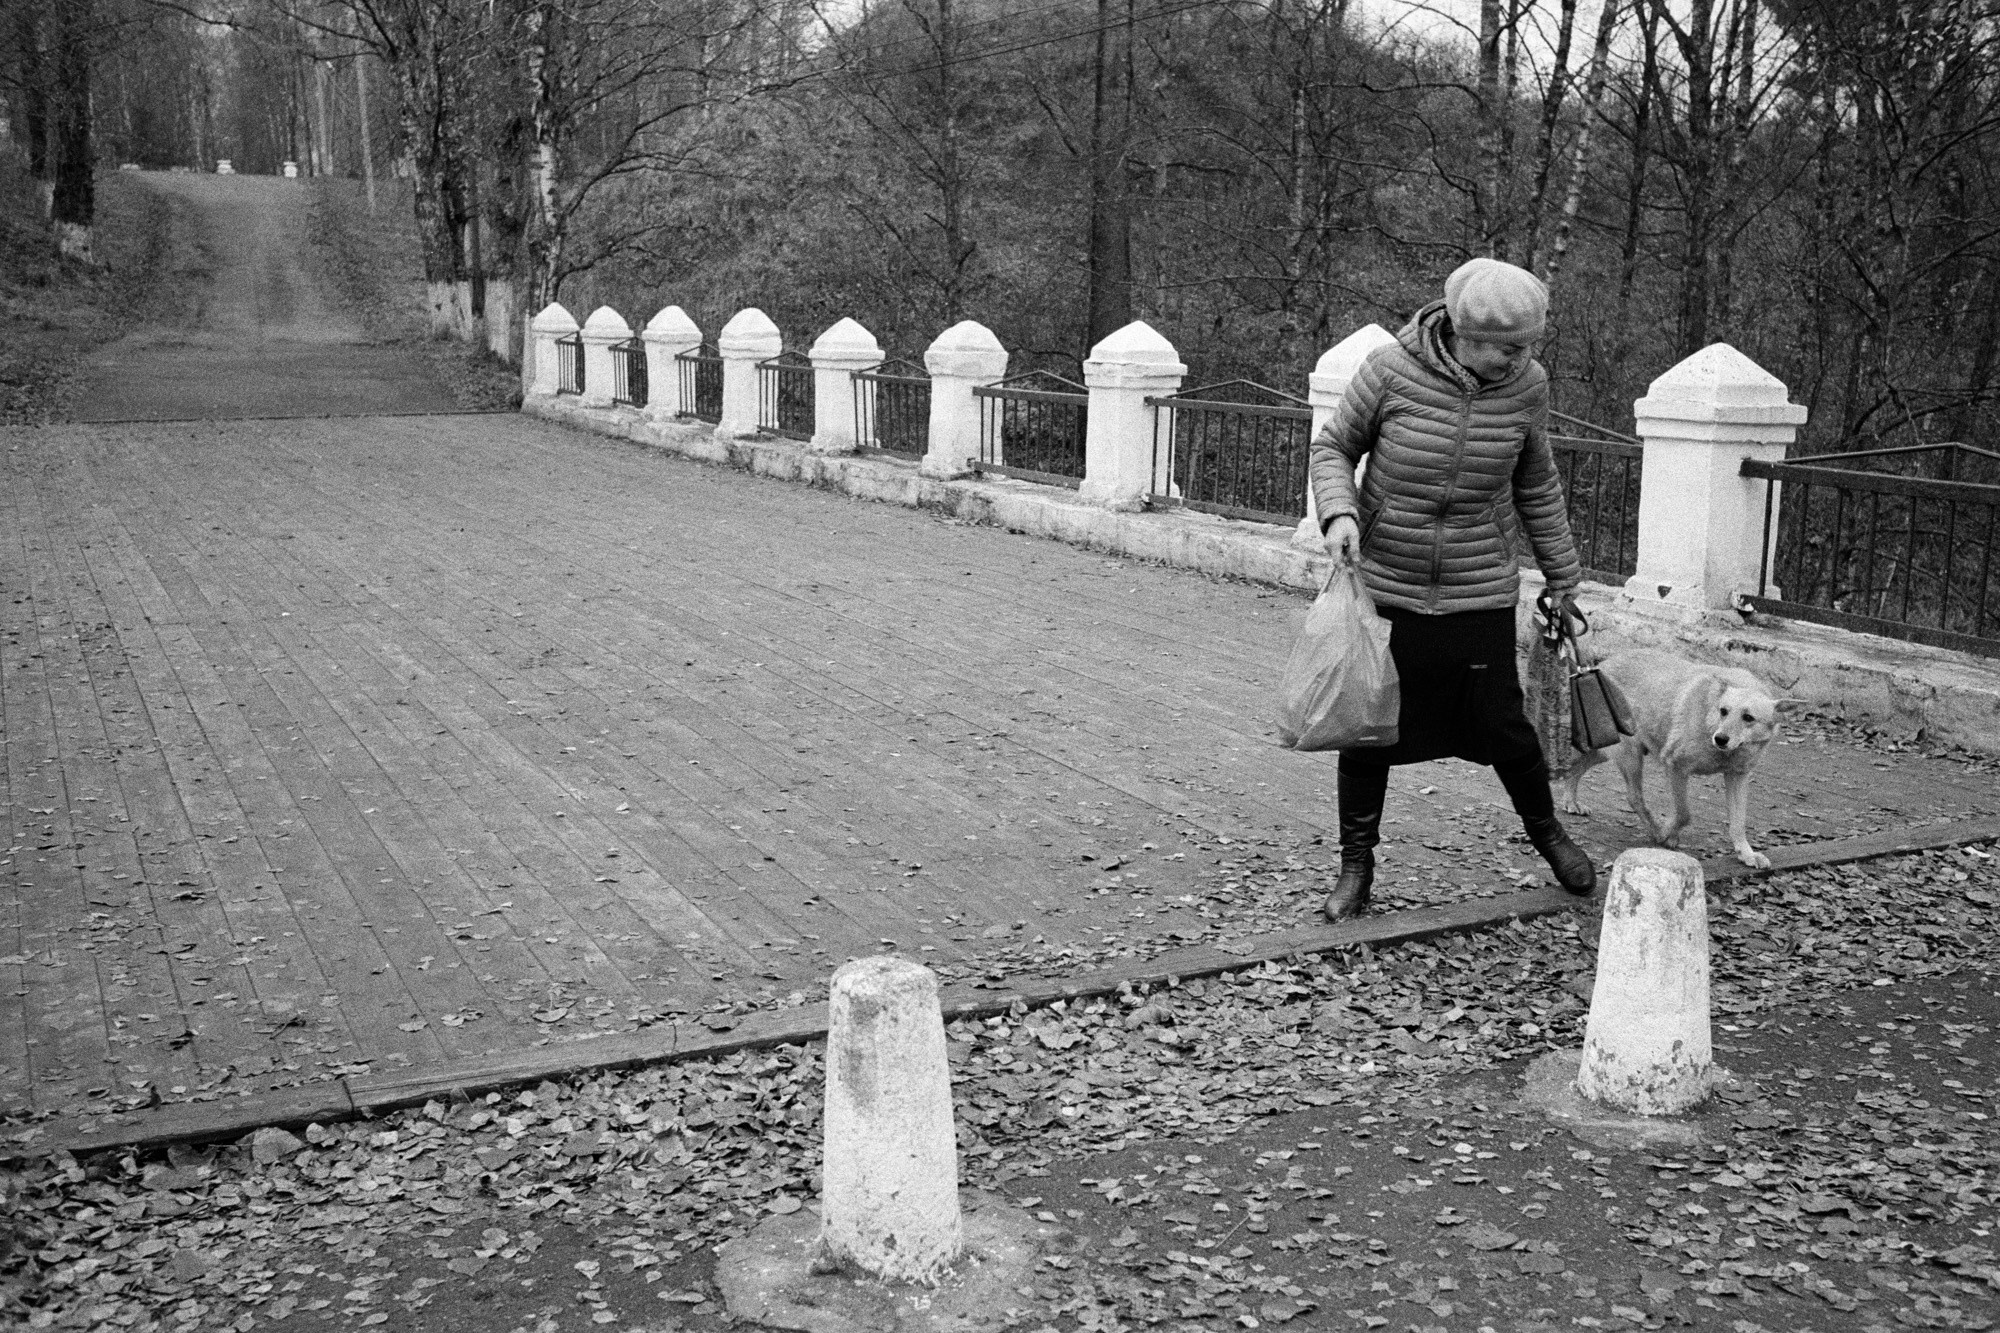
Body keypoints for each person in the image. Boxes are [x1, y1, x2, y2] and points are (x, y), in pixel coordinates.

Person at [1309, 257, 1594, 921]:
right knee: (1368, 730)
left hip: (1479, 584)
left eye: (1525, 347)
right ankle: (1357, 863)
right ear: (1461, 331)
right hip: (1389, 581)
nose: (1514, 359)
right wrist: (1341, 512)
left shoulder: (1528, 386)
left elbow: (1536, 481)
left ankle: (1548, 834)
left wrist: (1563, 574)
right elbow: (1333, 448)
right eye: (1502, 347)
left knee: (1506, 725)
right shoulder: (1389, 371)